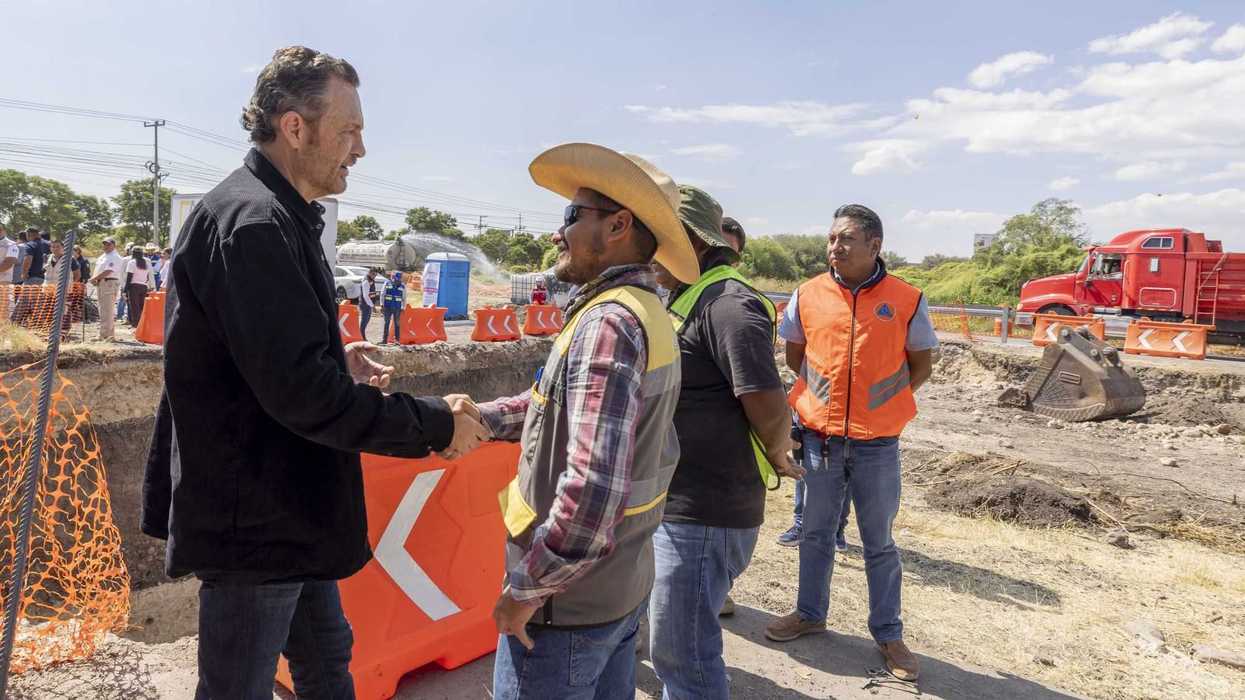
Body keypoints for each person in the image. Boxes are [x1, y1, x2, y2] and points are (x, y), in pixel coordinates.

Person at [140, 45, 490, 700]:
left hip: (291, 507)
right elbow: (303, 394)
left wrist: (336, 352)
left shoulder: (276, 216)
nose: (359, 149)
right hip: (260, 521)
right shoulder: (253, 223)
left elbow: (267, 358)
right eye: (349, 130)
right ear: (294, 126)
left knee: (329, 663)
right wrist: (435, 424)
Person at [474, 143, 697, 700]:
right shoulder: (647, 312)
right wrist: (474, 419)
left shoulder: (608, 323)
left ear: (619, 224)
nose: (558, 233)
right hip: (618, 588)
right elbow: (558, 406)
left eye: (572, 217)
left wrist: (527, 589)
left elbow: (593, 489)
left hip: (565, 608)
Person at [765, 204, 938, 682]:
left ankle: (888, 633)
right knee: (815, 533)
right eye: (831, 239)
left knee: (878, 542)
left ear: (874, 245)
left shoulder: (906, 298)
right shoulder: (808, 294)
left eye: (845, 239)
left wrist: (879, 406)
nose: (834, 247)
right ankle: (809, 613)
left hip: (877, 444)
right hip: (819, 439)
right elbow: (795, 357)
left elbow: (919, 365)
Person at [647, 186, 805, 698]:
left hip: (704, 514)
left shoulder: (727, 303)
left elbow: (765, 397)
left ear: (688, 240)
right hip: (680, 504)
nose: (649, 254)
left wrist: (779, 450)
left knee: (685, 658)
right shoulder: (692, 295)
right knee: (674, 648)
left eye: (658, 240)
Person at [89, 237, 125, 340]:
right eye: (105, 244)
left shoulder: (114, 256)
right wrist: (96, 279)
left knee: (107, 310)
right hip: (102, 282)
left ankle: (105, 335)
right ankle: (107, 334)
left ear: (114, 245)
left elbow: (108, 271)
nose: (106, 246)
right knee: (104, 309)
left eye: (108, 244)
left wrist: (94, 278)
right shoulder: (105, 256)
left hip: (109, 282)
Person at [124, 246, 151, 327]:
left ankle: (136, 325)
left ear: (133, 253)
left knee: (134, 307)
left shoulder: (132, 262)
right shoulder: (146, 263)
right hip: (144, 286)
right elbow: (147, 277)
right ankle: (143, 325)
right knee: (142, 306)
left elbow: (129, 277)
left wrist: (125, 289)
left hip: (134, 286)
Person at [381, 270, 405, 344]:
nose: (398, 280)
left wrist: (403, 307)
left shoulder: (403, 286)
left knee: (397, 324)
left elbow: (404, 297)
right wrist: (382, 305)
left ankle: (397, 340)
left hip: (397, 308)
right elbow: (382, 294)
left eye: (399, 279)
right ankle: (384, 340)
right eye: (397, 279)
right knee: (386, 323)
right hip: (387, 307)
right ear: (393, 277)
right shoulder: (387, 283)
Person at [357, 267, 380, 341]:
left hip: (368, 304)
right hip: (365, 304)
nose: (374, 276)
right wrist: (372, 306)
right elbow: (365, 296)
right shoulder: (366, 281)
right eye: (373, 274)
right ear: (369, 273)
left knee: (367, 320)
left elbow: (371, 294)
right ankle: (361, 337)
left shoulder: (371, 280)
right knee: (364, 321)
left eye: (375, 275)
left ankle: (361, 336)